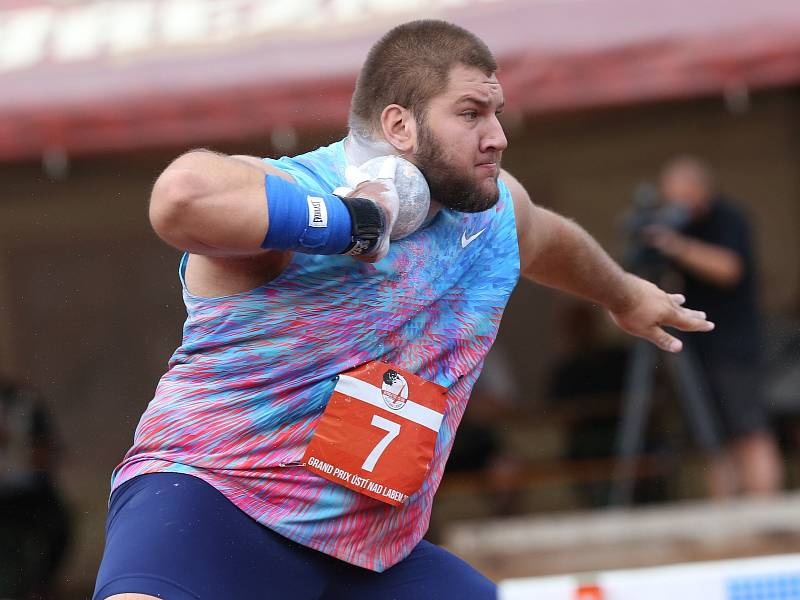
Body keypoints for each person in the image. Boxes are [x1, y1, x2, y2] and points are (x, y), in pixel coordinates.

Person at [92, 21, 713, 600]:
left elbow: (550, 241)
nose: (497, 135)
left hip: (371, 556)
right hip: (213, 507)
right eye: (471, 114)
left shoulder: (493, 214)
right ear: (400, 126)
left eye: (496, 112)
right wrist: (353, 222)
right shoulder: (307, 193)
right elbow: (180, 199)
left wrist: (624, 295)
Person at [645, 155, 783, 498]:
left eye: (679, 195)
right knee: (712, 439)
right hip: (694, 348)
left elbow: (729, 269)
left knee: (749, 430)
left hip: (734, 346)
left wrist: (677, 247)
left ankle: (766, 515)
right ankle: (727, 515)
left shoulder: (729, 219)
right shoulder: (678, 228)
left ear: (699, 189)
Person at [0, 378, 71, 599]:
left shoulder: (25, 400)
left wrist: (28, 451)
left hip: (31, 492)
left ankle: (40, 587)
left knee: (59, 526)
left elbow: (48, 449)